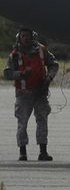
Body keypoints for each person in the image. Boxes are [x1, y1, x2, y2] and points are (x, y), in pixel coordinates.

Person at [3, 28, 59, 162]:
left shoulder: (42, 50)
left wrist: (49, 78)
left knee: (42, 120)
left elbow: (54, 64)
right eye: (23, 36)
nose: (25, 38)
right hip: (23, 93)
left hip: (40, 92)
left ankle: (43, 152)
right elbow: (7, 73)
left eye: (27, 36)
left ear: (32, 37)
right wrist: (21, 74)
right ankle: (23, 152)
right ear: (19, 37)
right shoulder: (14, 55)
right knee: (22, 122)